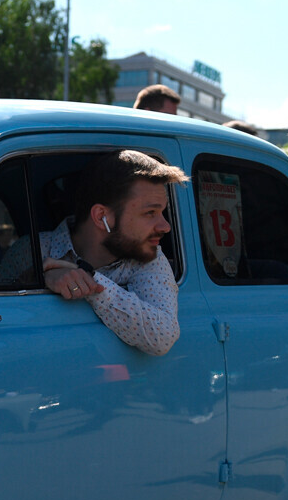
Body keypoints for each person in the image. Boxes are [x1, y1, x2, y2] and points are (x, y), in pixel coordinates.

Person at [40, 150, 189, 356]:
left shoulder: (148, 258)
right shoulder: (34, 249)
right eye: (150, 213)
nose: (165, 226)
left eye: (162, 212)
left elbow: (162, 336)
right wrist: (42, 277)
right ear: (102, 217)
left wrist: (87, 281)